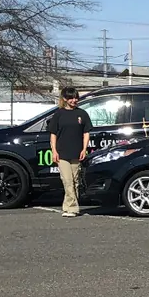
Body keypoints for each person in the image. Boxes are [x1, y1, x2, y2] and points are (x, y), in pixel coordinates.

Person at [49, 87, 91, 218]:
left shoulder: (82, 114)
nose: (74, 100)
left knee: (75, 181)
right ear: (65, 99)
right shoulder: (58, 114)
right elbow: (53, 134)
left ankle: (67, 206)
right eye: (71, 98)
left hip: (76, 152)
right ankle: (73, 208)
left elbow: (86, 133)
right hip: (62, 153)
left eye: (76, 97)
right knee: (67, 180)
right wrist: (54, 151)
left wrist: (84, 149)